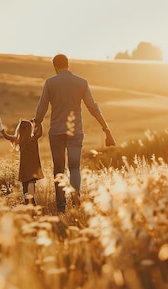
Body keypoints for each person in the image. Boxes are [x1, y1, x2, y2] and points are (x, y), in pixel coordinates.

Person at [34, 54, 115, 213]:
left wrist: (37, 123)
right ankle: (76, 199)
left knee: (59, 169)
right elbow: (93, 107)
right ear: (68, 64)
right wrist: (106, 129)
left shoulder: (50, 83)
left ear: (55, 66)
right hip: (75, 132)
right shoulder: (81, 82)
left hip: (56, 132)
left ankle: (61, 207)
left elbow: (42, 107)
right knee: (75, 167)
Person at [10, 119, 44, 205]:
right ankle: (31, 203)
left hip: (24, 171)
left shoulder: (20, 142)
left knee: (25, 187)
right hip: (33, 170)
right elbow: (40, 133)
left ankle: (28, 202)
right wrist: (39, 122)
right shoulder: (33, 140)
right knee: (31, 185)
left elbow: (8, 137)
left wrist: (2, 132)